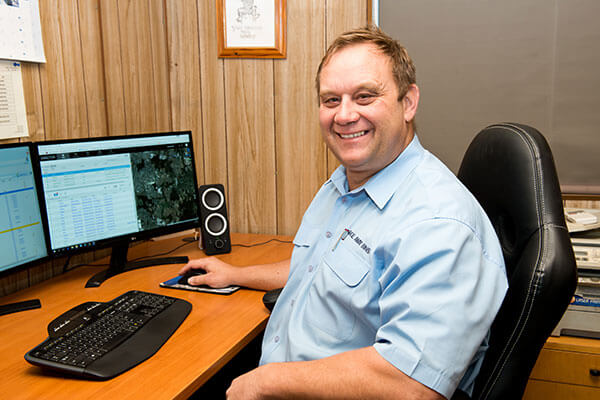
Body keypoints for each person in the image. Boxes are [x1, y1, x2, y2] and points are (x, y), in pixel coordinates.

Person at [180, 25, 508, 400]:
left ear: (409, 102)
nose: (344, 115)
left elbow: (411, 385)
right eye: (331, 100)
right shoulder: (348, 182)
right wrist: (237, 274)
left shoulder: (437, 223)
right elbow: (319, 268)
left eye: (365, 96)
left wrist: (263, 382)